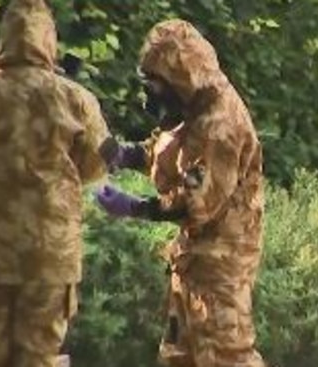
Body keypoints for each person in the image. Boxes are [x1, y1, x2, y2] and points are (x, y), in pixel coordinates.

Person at [95, 19, 266, 367]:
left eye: (154, 89)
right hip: (192, 262)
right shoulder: (192, 107)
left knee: (225, 357)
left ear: (178, 81)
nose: (149, 100)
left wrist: (136, 207)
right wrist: (125, 154)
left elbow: (197, 202)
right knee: (179, 356)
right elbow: (170, 153)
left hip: (221, 269)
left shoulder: (221, 126)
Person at [0, 0, 112, 366]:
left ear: (4, 38)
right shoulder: (75, 99)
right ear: (49, 41)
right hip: (49, 257)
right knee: (39, 357)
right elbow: (98, 165)